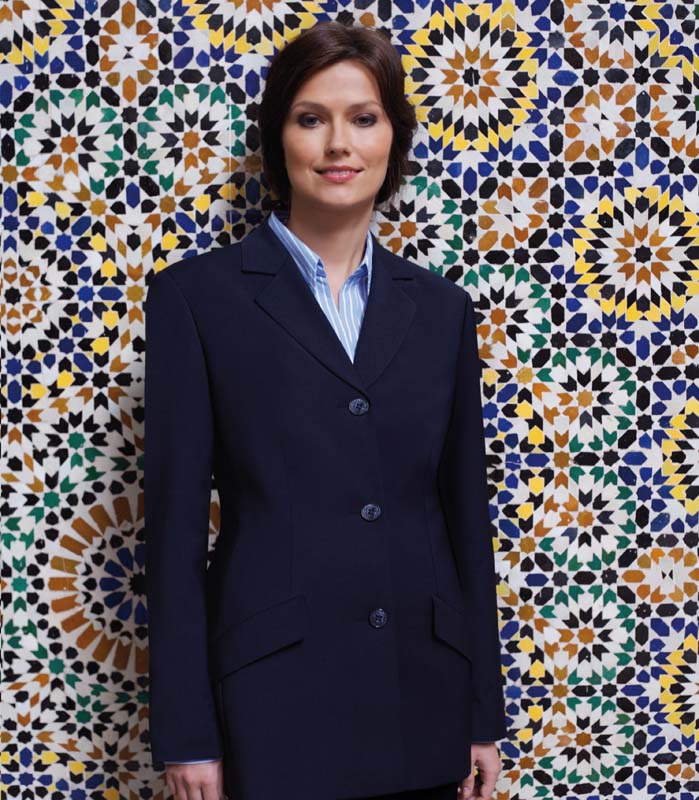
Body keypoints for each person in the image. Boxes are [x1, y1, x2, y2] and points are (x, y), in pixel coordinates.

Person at [144, 19, 507, 800]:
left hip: (424, 699)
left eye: (363, 118)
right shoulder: (196, 300)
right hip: (271, 705)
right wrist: (186, 732)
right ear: (277, 139)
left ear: (392, 138)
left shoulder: (442, 310)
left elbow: (464, 519)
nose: (338, 144)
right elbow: (172, 538)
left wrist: (482, 715)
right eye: (310, 118)